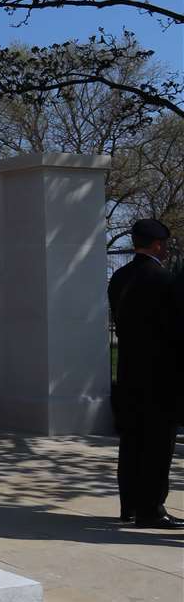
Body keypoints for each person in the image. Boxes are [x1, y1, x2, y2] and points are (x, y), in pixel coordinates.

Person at [107, 218, 184, 529]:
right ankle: (151, 509)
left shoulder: (119, 277)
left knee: (132, 441)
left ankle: (130, 506)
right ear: (157, 244)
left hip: (128, 371)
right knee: (156, 444)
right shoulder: (164, 281)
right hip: (159, 376)